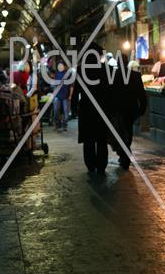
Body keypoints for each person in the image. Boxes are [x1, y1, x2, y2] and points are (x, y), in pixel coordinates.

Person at [75, 43, 109, 176]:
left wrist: (73, 107)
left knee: (88, 139)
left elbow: (76, 90)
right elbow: (109, 90)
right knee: (101, 139)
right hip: (102, 108)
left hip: (86, 108)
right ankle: (101, 166)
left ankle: (90, 165)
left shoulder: (80, 70)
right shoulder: (104, 69)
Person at [109, 54, 147, 170]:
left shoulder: (112, 75)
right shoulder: (135, 75)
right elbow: (141, 93)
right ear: (126, 62)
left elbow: (109, 93)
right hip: (131, 108)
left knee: (119, 131)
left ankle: (124, 154)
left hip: (117, 108)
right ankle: (125, 153)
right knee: (128, 130)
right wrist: (142, 108)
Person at [53, 61, 73, 131]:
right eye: (59, 66)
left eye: (61, 65)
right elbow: (55, 85)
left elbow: (71, 86)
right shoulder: (57, 74)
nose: (60, 67)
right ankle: (57, 124)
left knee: (66, 112)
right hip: (57, 95)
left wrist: (70, 95)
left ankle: (64, 125)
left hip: (66, 96)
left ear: (64, 66)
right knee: (55, 110)